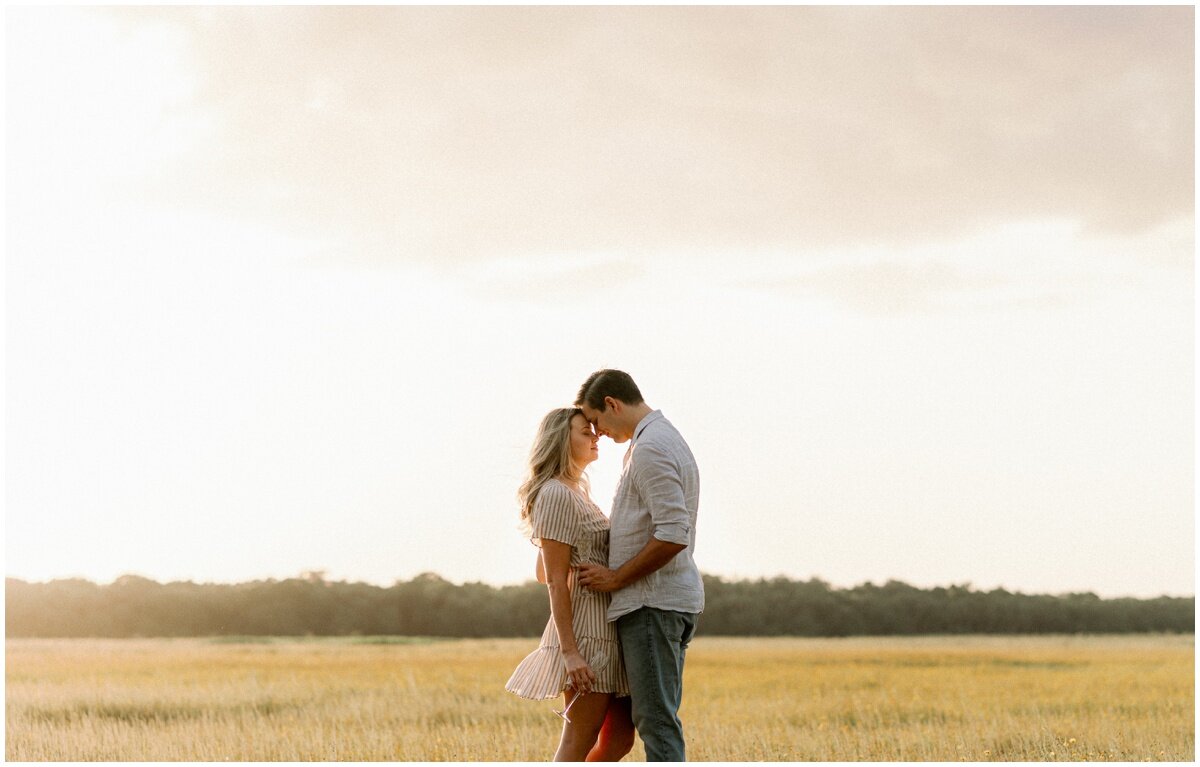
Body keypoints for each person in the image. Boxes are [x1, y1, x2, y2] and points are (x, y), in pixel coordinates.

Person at [574, 370, 703, 762]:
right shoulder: (657, 439)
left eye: (596, 420)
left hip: (652, 604)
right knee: (655, 718)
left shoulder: (651, 448)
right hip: (662, 600)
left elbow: (673, 533)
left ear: (612, 404)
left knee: (656, 720)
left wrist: (615, 578)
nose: (597, 433)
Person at [505, 407, 635, 762]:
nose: (596, 437)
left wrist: (579, 565)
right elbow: (553, 583)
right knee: (577, 743)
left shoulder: (575, 491)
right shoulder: (555, 494)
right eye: (585, 432)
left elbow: (545, 570)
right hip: (585, 634)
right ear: (562, 440)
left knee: (619, 740)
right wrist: (570, 653)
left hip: (607, 629)